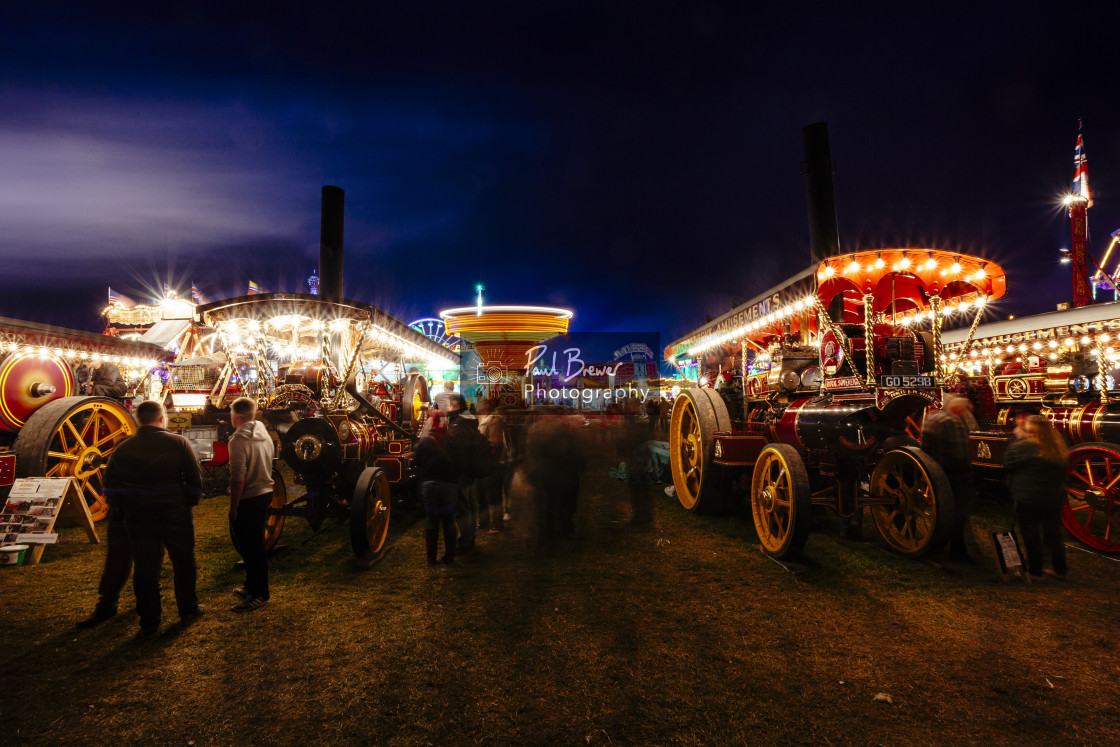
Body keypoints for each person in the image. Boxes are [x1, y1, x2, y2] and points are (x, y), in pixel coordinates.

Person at [104, 401, 203, 636]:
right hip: (174, 513)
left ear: (138, 420)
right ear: (162, 419)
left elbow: (109, 483)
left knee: (145, 567)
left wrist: (125, 506)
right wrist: (186, 502)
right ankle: (188, 609)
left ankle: (149, 619)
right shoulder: (178, 443)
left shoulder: (124, 447)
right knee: (183, 562)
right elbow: (195, 480)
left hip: (138, 516)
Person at [1004, 415, 1069, 581]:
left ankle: (1035, 571)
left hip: (1028, 497)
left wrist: (1017, 439)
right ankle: (1060, 569)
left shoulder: (1024, 445)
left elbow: (1008, 464)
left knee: (1031, 535)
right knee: (1054, 534)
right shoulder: (1057, 446)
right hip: (1053, 497)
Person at [227, 397, 275, 611]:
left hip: (249, 496)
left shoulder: (238, 440)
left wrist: (234, 506)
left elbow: (238, 477)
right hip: (266, 490)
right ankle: (250, 585)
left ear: (235, 416)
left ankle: (260, 593)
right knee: (252, 544)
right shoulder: (263, 432)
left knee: (251, 547)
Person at [920, 394, 977, 561]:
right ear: (959, 410)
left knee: (939, 511)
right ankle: (958, 551)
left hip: (934, 472)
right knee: (958, 515)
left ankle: (935, 547)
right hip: (955, 476)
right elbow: (961, 454)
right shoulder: (954, 422)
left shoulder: (931, 418)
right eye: (966, 412)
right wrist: (970, 475)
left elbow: (925, 447)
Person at [74, 504, 132, 629]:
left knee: (147, 558)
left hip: (147, 505)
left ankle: (148, 602)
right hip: (122, 505)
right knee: (117, 557)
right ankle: (107, 603)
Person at [413, 411, 459, 565]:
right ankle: (450, 556)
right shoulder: (451, 440)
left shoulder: (425, 441)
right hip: (448, 484)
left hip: (430, 484)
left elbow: (416, 461)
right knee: (449, 520)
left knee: (432, 520)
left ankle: (431, 558)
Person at [445, 393, 481, 553]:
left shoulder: (458, 425)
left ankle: (465, 542)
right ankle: (470, 538)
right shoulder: (470, 420)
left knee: (463, 509)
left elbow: (454, 449)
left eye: (450, 405)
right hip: (471, 469)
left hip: (461, 472)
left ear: (456, 406)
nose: (447, 408)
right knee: (471, 506)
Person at [476, 398, 506, 532]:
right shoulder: (480, 419)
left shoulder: (494, 420)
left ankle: (496, 524)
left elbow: (496, 440)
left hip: (492, 462)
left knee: (493, 495)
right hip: (481, 463)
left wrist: (480, 443)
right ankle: (483, 521)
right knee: (481, 494)